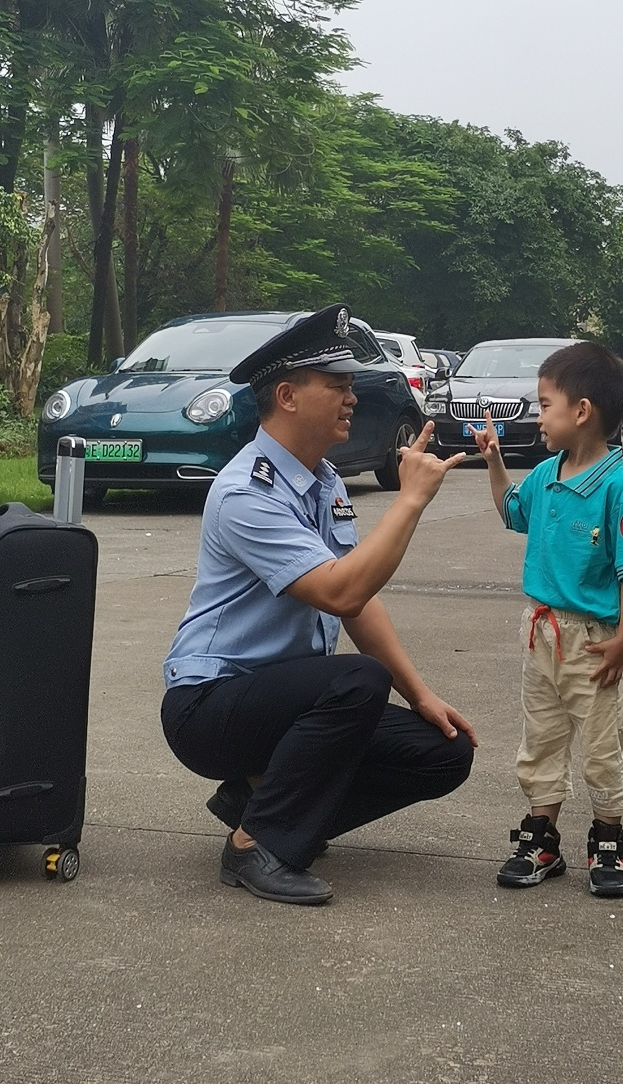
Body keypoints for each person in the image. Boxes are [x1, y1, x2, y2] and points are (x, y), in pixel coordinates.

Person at [162, 304, 477, 906]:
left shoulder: (324, 480)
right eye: (336, 385)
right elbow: (341, 591)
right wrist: (410, 501)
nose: (351, 397)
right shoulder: (245, 492)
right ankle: (257, 844)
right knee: (357, 681)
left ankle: (263, 805)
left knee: (444, 753)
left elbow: (359, 604)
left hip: (288, 701)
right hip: (210, 706)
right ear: (287, 396)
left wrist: (420, 696)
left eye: (351, 384)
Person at [474, 342, 623, 898]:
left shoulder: (617, 487)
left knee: (601, 745)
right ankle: (542, 838)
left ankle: (608, 840)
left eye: (544, 405)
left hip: (595, 642)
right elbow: (512, 512)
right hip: (540, 633)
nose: (538, 416)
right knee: (542, 738)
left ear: (581, 411)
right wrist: (495, 462)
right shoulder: (547, 473)